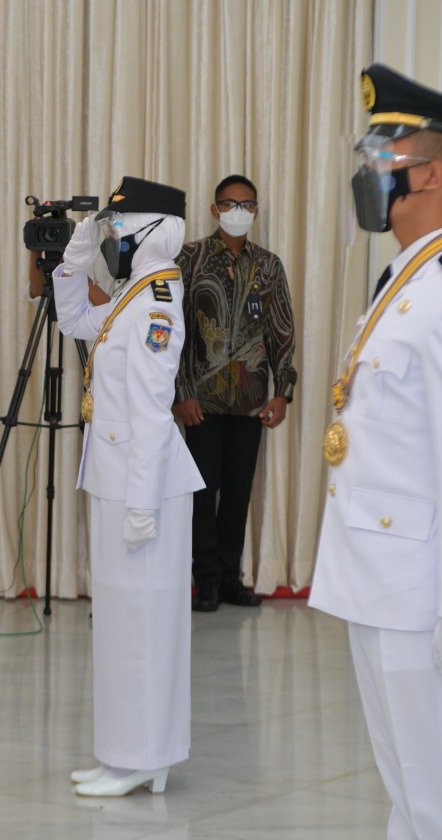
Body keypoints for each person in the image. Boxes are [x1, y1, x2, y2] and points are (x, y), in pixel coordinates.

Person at [309, 64, 442, 840]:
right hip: (381, 578)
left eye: (384, 156)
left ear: (430, 173)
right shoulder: (407, 279)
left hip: (425, 592)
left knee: (439, 800)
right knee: (405, 789)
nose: (370, 172)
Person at [53, 176, 205, 797]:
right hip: (119, 479)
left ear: (151, 231)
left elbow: (149, 409)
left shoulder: (158, 299)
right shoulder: (133, 294)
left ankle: (146, 755)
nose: (112, 234)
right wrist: (75, 258)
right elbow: (75, 320)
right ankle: (124, 752)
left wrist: (141, 505)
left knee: (144, 624)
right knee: (120, 623)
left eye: (117, 227)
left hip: (144, 488)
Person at [174, 175, 297, 612]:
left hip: (250, 402)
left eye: (247, 205)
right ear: (214, 210)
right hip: (200, 403)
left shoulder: (269, 266)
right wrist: (180, 392)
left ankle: (230, 579)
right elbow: (173, 333)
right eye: (230, 204)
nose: (238, 212)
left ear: (257, 211)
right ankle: (204, 581)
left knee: (239, 492)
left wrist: (282, 391)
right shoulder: (190, 258)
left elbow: (282, 331)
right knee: (202, 494)